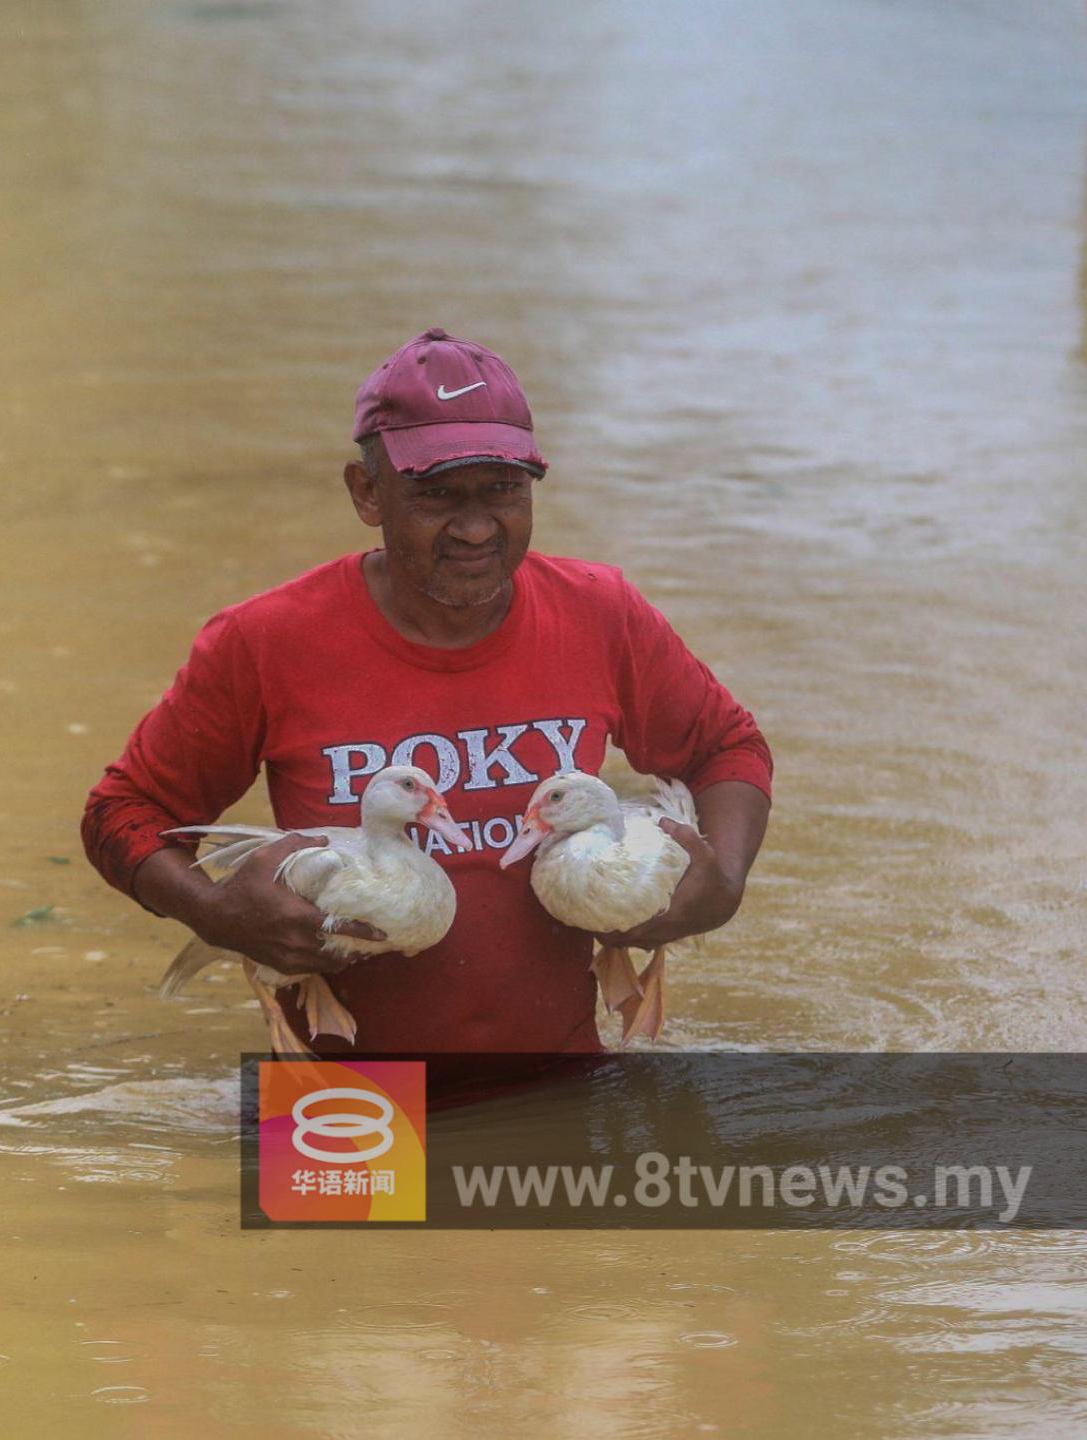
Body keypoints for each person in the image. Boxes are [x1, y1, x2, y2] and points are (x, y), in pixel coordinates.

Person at [82, 328, 771, 1054]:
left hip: (558, 1077)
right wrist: (216, 912)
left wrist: (722, 881)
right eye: (437, 495)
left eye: (503, 490)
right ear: (366, 493)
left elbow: (728, 748)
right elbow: (122, 811)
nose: (476, 529)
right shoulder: (265, 641)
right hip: (341, 1104)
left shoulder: (601, 612)